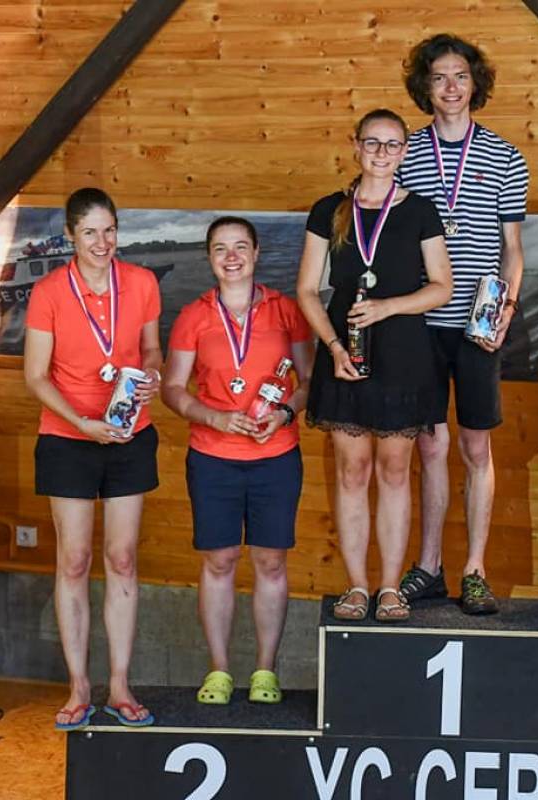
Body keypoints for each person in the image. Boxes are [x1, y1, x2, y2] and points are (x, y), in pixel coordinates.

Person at [297, 108, 453, 623]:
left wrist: (388, 307)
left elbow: (442, 287)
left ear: (403, 152)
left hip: (403, 353)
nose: (381, 153)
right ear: (356, 146)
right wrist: (333, 347)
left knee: (393, 471)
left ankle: (389, 587)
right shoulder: (328, 210)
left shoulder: (421, 211)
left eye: (391, 145)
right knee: (352, 471)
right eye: (372, 142)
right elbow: (306, 290)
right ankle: (357, 586)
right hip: (344, 354)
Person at [396, 33, 529, 615]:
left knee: (476, 445)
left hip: (478, 324)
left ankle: (475, 568)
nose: (450, 87)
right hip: (421, 322)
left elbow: (512, 249)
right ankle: (428, 567)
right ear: (425, 87)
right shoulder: (405, 153)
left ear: (476, 84)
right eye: (439, 77)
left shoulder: (506, 157)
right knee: (429, 444)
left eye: (460, 76)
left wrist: (507, 309)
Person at [23, 187, 163, 730]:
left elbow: (151, 350)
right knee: (75, 560)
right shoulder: (49, 291)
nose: (102, 242)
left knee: (122, 558)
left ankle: (120, 685)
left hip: (129, 435)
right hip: (68, 438)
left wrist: (151, 375)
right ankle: (79, 686)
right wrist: (81, 423)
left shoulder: (142, 282)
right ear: (70, 236)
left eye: (109, 231)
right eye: (89, 233)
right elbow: (36, 376)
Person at [162, 216, 313, 708]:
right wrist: (215, 418)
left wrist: (285, 412)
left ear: (256, 253)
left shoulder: (286, 311)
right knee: (219, 560)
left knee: (271, 561)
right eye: (221, 248)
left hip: (276, 455)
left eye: (240, 247)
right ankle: (220, 670)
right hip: (213, 458)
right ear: (209, 257)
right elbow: (171, 389)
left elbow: (309, 381)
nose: (232, 257)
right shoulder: (193, 316)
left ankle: (266, 669)